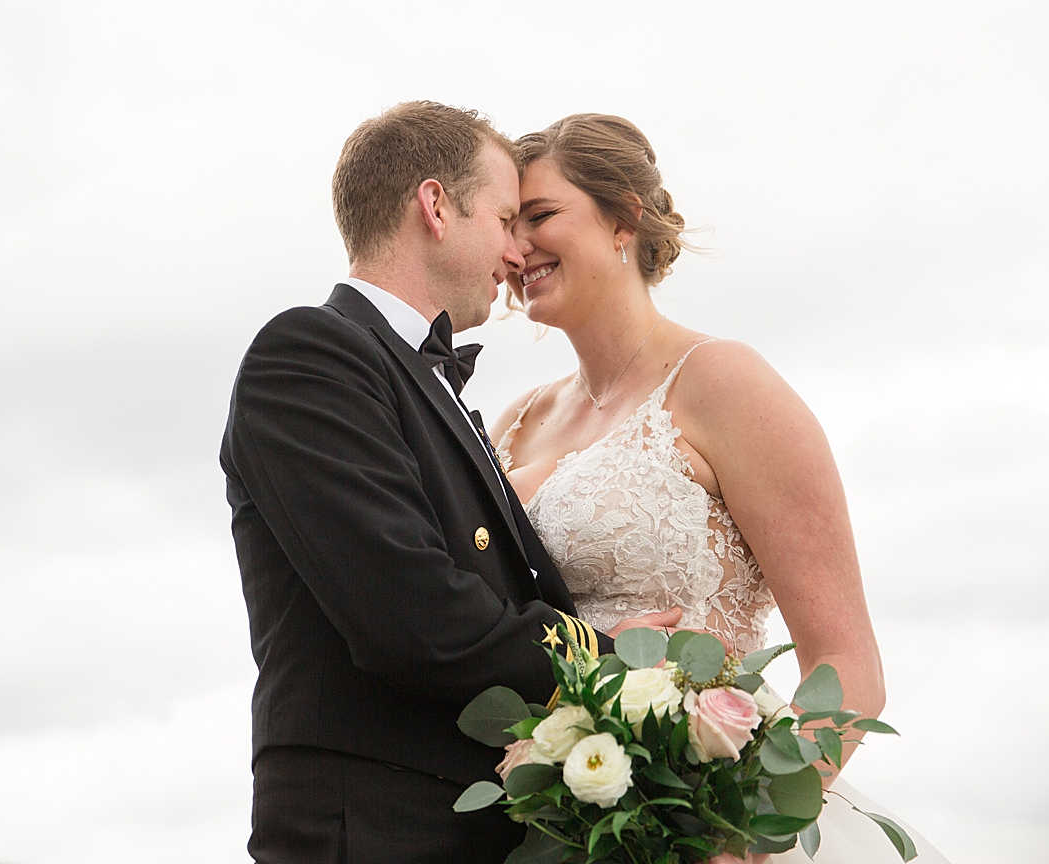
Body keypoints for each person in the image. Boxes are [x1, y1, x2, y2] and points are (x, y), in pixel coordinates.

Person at [220, 102, 682, 864]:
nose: (515, 250)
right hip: (372, 825)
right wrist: (607, 657)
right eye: (505, 218)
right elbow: (415, 616)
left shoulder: (429, 385)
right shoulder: (308, 355)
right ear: (436, 207)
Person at [489, 113, 948, 863]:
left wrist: (745, 834)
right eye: (509, 225)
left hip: (717, 815)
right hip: (571, 823)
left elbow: (849, 666)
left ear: (623, 219)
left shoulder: (723, 383)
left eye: (540, 216)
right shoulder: (515, 422)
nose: (515, 249)